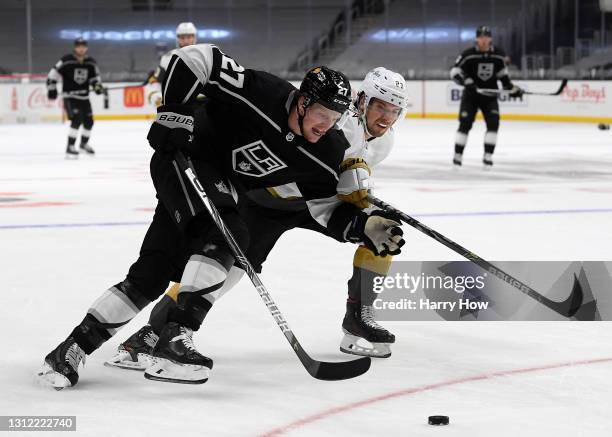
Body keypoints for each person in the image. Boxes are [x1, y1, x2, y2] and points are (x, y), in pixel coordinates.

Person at [37, 44, 404, 388]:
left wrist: (364, 225)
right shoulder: (264, 92)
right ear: (303, 102)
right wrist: (175, 111)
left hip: (220, 184)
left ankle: (69, 351)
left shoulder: (327, 148)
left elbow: (323, 207)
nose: (328, 125)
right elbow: (195, 58)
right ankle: (175, 339)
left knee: (151, 275)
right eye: (323, 114)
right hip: (184, 159)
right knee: (228, 234)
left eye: (336, 117)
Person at [449, 25, 522, 168]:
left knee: (494, 124)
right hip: (471, 96)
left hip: (490, 96)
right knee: (465, 125)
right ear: (477, 38)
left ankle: (488, 155)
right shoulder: (468, 54)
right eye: (481, 37)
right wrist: (467, 82)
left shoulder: (498, 55)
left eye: (486, 37)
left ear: (490, 38)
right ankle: (458, 155)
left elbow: (503, 76)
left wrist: (511, 88)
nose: (484, 40)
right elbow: (454, 73)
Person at [46, 37, 104, 158]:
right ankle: (70, 147)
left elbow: (95, 79)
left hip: (84, 97)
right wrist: (52, 90)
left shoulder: (91, 62)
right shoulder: (66, 60)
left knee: (89, 122)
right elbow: (52, 75)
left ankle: (83, 144)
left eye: (83, 46)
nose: (81, 49)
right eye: (79, 46)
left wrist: (97, 87)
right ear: (75, 47)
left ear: (86, 47)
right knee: (76, 120)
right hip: (70, 97)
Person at [147, 22, 198, 107]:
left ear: (194, 37)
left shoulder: (205, 56)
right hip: (175, 107)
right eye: (182, 37)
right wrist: (155, 94)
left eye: (189, 37)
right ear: (177, 39)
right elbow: (157, 81)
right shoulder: (167, 58)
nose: (186, 41)